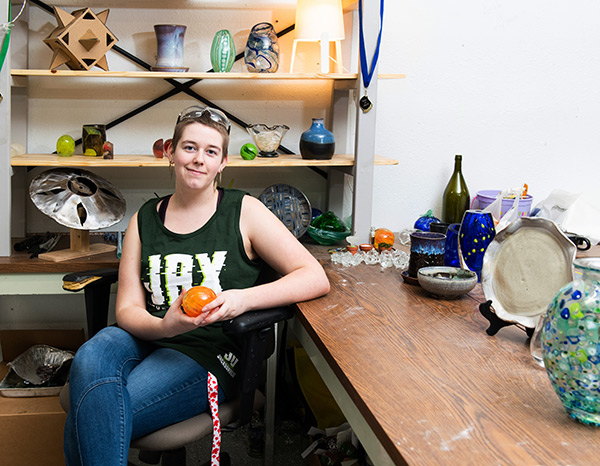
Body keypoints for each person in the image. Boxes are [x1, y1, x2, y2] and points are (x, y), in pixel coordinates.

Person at [63, 105, 330, 466]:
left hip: (207, 352)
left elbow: (314, 276)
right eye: (189, 148)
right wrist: (164, 326)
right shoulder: (145, 219)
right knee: (92, 355)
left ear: (222, 163)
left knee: (93, 414)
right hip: (146, 335)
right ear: (169, 153)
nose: (198, 159)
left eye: (211, 151)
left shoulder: (244, 211)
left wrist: (241, 300)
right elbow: (126, 310)